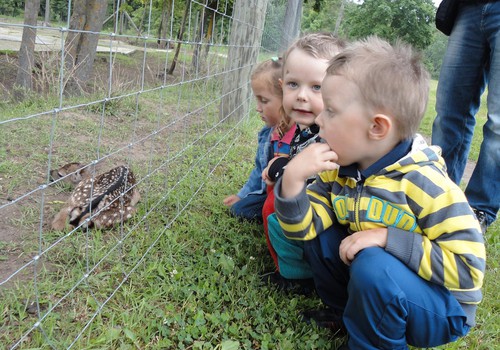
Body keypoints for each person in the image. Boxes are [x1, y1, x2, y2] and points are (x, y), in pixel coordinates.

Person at [274, 37, 486, 349]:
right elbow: (301, 229)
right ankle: (346, 314)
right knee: (322, 234)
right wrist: (292, 181)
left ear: (377, 128)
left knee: (373, 263)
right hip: (380, 283)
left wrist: (388, 237)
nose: (319, 119)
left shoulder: (424, 184)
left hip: (439, 307)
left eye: (330, 110)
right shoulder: (339, 169)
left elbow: (468, 270)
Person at [260, 33, 346, 294]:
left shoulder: (334, 134)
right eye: (293, 84)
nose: (302, 96)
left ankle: (298, 277)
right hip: (309, 210)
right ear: (281, 85)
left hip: (327, 216)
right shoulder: (303, 126)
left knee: (274, 213)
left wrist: (283, 169)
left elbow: (316, 174)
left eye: (316, 87)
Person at [432, 0, 500, 234]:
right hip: (467, 8)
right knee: (448, 113)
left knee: (499, 124)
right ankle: (435, 197)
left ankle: (478, 211)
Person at [222, 58, 283, 222]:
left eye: (264, 100)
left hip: (291, 197)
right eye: (257, 100)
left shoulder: (299, 138)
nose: (258, 107)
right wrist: (242, 195)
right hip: (268, 193)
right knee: (240, 210)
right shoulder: (267, 135)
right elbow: (258, 171)